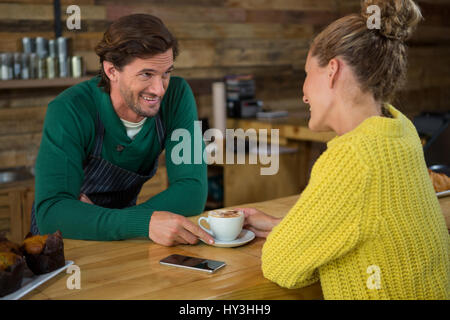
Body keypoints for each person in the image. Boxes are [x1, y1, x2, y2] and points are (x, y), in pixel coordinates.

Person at [240, 0, 449, 299]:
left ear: (332, 71)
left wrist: (287, 239)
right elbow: (366, 223)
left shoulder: (353, 158)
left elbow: (280, 265)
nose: (303, 94)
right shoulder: (400, 129)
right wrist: (284, 226)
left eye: (307, 73)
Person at [31, 14, 214, 246]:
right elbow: (52, 214)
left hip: (126, 238)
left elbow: (192, 191)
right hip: (65, 245)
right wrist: (144, 221)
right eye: (146, 74)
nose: (159, 90)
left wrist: (130, 222)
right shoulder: (70, 109)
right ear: (111, 71)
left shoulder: (176, 96)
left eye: (166, 73)